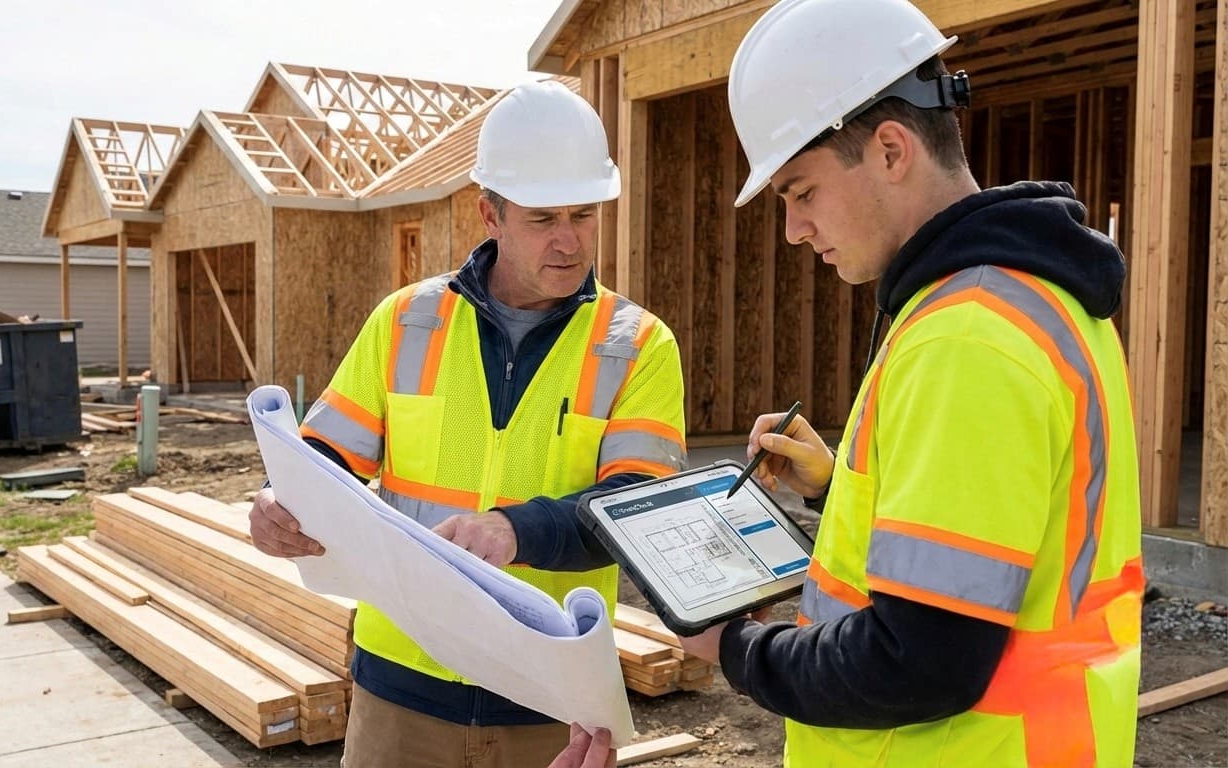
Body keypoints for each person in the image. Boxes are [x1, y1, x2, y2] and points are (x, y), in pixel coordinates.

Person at [667, 1, 1143, 767]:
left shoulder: (966, 336)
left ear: (890, 149)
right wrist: (835, 491)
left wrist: (739, 648)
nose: (792, 230)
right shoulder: (1038, 299)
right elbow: (999, 546)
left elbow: (920, 661)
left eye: (801, 193)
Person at [249, 79, 687, 768]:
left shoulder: (638, 345)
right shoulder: (405, 322)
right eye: (544, 219)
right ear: (491, 213)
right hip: (400, 689)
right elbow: (323, 460)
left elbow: (637, 512)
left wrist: (516, 529)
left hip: (549, 699)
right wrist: (281, 506)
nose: (570, 242)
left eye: (585, 214)